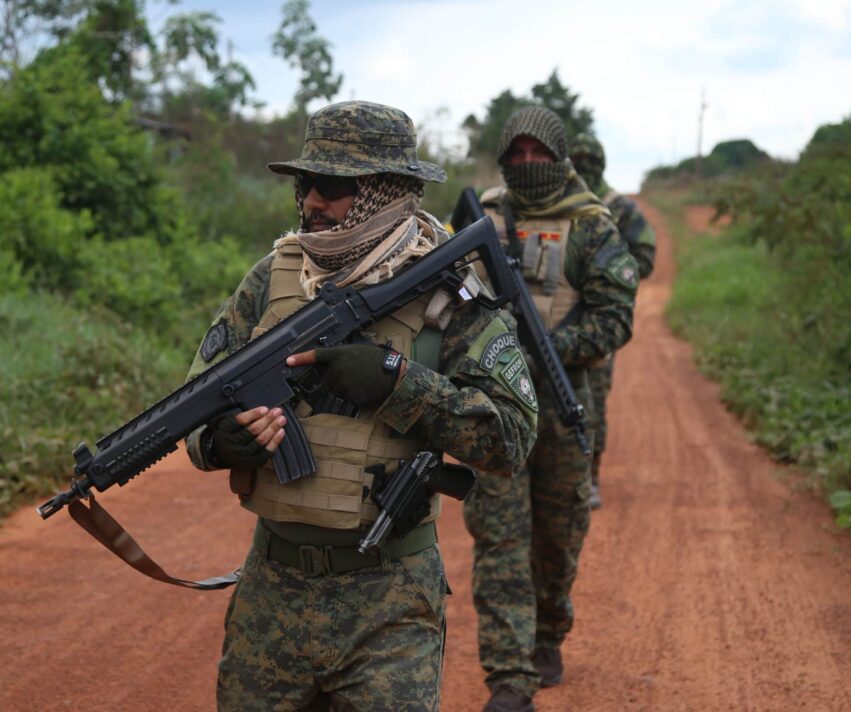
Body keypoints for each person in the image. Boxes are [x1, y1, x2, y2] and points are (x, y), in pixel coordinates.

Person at [183, 101, 538, 712]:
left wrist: (398, 384)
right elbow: (197, 400)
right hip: (272, 592)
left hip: (391, 604)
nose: (313, 202)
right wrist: (218, 440)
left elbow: (510, 439)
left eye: (334, 186)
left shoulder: (448, 295)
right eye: (306, 183)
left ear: (387, 191)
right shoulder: (272, 279)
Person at [463, 106, 639, 712]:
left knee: (558, 538)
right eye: (517, 153)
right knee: (499, 538)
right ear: (504, 157)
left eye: (539, 152)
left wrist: (547, 348)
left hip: (565, 406)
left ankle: (548, 632)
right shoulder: (479, 216)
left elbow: (616, 317)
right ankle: (510, 676)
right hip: (496, 410)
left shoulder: (591, 224)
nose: (527, 163)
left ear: (560, 155)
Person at [570, 133, 657, 509]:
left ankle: (590, 477)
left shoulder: (618, 209)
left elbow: (646, 256)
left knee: (594, 399)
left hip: (599, 321)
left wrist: (611, 278)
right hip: (557, 315)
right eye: (579, 161)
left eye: (590, 162)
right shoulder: (562, 204)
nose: (584, 168)